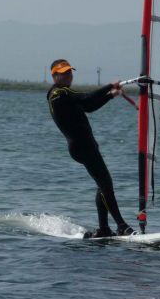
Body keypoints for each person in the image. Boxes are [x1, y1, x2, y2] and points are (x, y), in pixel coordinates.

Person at [47, 59, 134, 238]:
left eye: (69, 72)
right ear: (54, 76)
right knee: (106, 185)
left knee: (103, 185)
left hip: (86, 146)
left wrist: (110, 95)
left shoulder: (65, 95)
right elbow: (86, 97)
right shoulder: (59, 93)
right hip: (82, 147)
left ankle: (104, 229)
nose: (68, 76)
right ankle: (121, 226)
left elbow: (88, 106)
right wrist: (110, 86)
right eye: (63, 73)